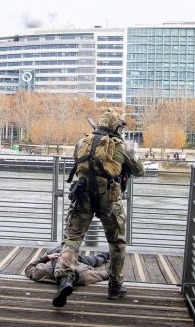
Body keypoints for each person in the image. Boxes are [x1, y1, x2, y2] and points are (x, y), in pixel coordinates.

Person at [52, 108, 145, 307]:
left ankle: (65, 278)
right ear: (116, 127)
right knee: (117, 243)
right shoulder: (121, 146)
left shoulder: (82, 142)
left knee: (73, 238)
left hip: (83, 196)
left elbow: (78, 164)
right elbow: (140, 170)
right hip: (109, 199)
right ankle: (115, 286)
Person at [25, 247, 110, 285]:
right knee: (98, 259)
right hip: (77, 260)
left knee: (63, 247)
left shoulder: (42, 272)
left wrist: (46, 257)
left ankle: (106, 255)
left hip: (58, 256)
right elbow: (106, 274)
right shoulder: (82, 275)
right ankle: (107, 255)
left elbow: (28, 268)